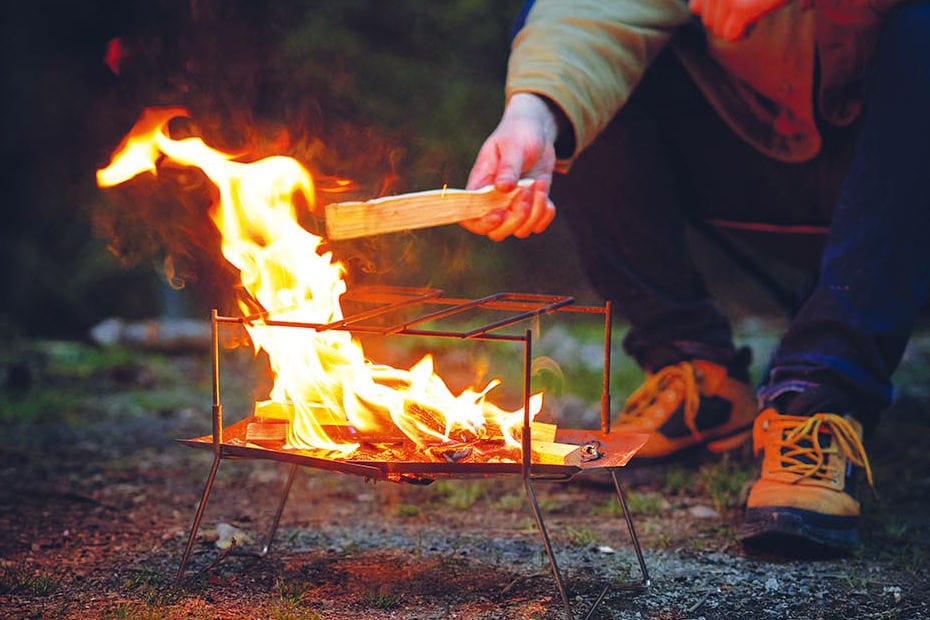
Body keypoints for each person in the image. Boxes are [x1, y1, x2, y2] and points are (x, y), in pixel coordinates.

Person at [462, 0, 930, 553]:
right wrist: (534, 114)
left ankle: (819, 402)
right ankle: (697, 376)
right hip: (760, 153)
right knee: (569, 78)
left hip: (900, 159)